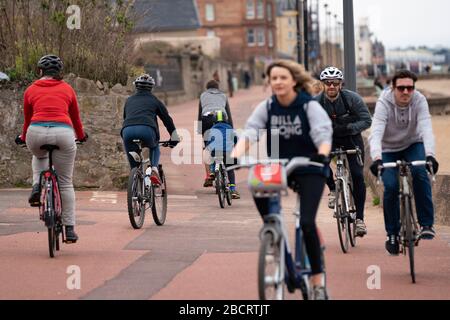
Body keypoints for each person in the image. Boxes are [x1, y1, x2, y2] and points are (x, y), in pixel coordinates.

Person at [231, 60, 333, 300]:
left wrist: (322, 154)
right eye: (273, 78)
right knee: (255, 183)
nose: (277, 82)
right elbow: (251, 131)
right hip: (281, 166)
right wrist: (234, 155)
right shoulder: (267, 106)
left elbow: (323, 134)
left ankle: (318, 284)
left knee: (306, 222)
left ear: (294, 81)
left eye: (282, 78)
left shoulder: (309, 107)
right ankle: (272, 228)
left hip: (310, 166)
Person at [15, 54, 88, 243]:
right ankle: (69, 229)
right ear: (59, 73)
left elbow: (27, 120)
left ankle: (37, 186)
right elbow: (76, 119)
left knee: (38, 155)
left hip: (36, 131)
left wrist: (23, 138)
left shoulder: (30, 90)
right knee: (65, 182)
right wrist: (80, 136)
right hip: (64, 133)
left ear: (40, 71)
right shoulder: (67, 89)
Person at [368, 69, 439, 255]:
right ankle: (392, 233)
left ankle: (426, 224)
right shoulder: (384, 102)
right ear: (393, 88)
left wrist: (430, 155)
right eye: (401, 88)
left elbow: (426, 128)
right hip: (387, 149)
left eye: (410, 87)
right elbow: (375, 133)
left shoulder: (419, 100)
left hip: (413, 144)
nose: (406, 92)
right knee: (390, 187)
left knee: (420, 173)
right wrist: (376, 158)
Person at [316, 67, 372, 237]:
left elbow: (367, 120)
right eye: (328, 83)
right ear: (323, 85)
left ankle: (360, 219)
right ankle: (333, 189)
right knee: (319, 162)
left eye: (335, 83)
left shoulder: (352, 99)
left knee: (357, 175)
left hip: (351, 138)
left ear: (341, 84)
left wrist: (348, 128)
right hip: (329, 138)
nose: (331, 86)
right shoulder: (316, 103)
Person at [121, 74, 180, 184]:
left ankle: (135, 179)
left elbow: (125, 117)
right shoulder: (155, 100)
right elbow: (167, 120)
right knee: (155, 145)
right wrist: (174, 137)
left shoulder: (129, 100)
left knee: (134, 164)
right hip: (146, 130)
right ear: (151, 87)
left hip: (127, 131)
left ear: (136, 87)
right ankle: (154, 169)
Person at [197, 80, 234, 187]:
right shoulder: (223, 95)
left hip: (206, 120)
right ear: (217, 88)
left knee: (207, 148)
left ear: (207, 88)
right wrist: (231, 129)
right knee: (225, 145)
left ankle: (210, 175)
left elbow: (200, 113)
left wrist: (200, 130)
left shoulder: (203, 95)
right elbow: (228, 113)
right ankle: (227, 174)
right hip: (221, 118)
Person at [204, 110, 240, 199]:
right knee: (230, 169)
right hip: (228, 151)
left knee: (211, 155)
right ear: (226, 119)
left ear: (214, 120)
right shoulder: (229, 127)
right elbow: (235, 139)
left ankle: (212, 170)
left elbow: (208, 142)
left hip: (216, 151)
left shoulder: (212, 129)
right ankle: (232, 189)